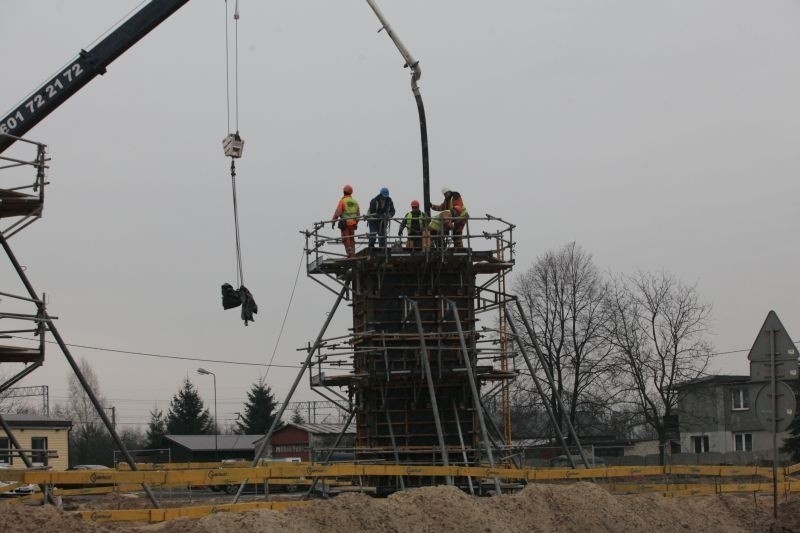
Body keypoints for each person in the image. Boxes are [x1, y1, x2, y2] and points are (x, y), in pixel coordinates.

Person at [331, 184, 360, 257]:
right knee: (351, 238)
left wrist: (333, 221)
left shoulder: (342, 201)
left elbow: (338, 212)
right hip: (353, 224)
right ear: (351, 192)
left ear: (344, 192)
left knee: (345, 238)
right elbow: (358, 214)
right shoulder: (355, 202)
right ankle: (353, 253)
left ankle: (349, 253)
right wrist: (356, 222)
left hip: (345, 223)